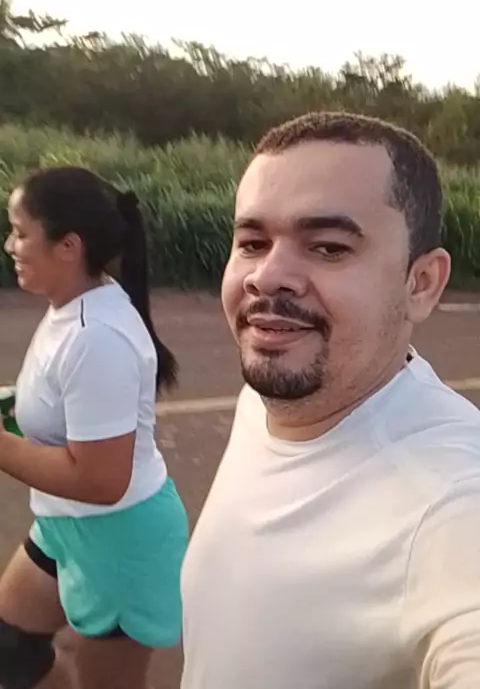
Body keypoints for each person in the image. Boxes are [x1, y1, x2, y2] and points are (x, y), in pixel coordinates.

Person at [180, 111, 480, 689]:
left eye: (328, 248)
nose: (267, 276)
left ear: (421, 283)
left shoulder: (451, 500)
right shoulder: (273, 396)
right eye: (252, 243)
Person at [0, 166, 188, 689]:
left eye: (20, 232)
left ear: (68, 246)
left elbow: (101, 480)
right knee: (10, 650)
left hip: (118, 540)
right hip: (66, 526)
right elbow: (64, 398)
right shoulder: (75, 306)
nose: (10, 245)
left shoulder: (97, 335)